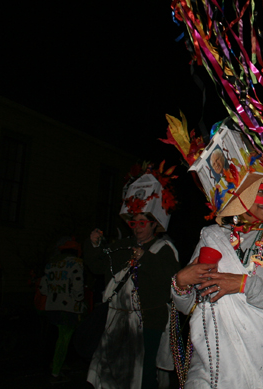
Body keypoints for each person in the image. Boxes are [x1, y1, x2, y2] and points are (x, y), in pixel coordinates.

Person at [171, 170, 263, 388]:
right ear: (241, 196)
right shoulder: (213, 237)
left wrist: (243, 284)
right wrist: (181, 283)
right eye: (260, 191)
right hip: (212, 360)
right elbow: (189, 307)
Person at [84, 165, 181, 389]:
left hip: (149, 323)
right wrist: (93, 245)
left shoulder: (164, 248)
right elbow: (98, 266)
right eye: (134, 222)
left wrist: (145, 259)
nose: (137, 227)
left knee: (144, 374)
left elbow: (172, 281)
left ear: (154, 223)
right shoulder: (124, 245)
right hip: (118, 322)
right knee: (113, 374)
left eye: (142, 222)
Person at [40, 237, 85, 379]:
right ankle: (56, 372)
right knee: (64, 340)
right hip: (69, 307)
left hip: (52, 306)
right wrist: (79, 299)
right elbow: (78, 288)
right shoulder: (76, 264)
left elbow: (43, 289)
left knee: (53, 337)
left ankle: (51, 364)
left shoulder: (51, 264)